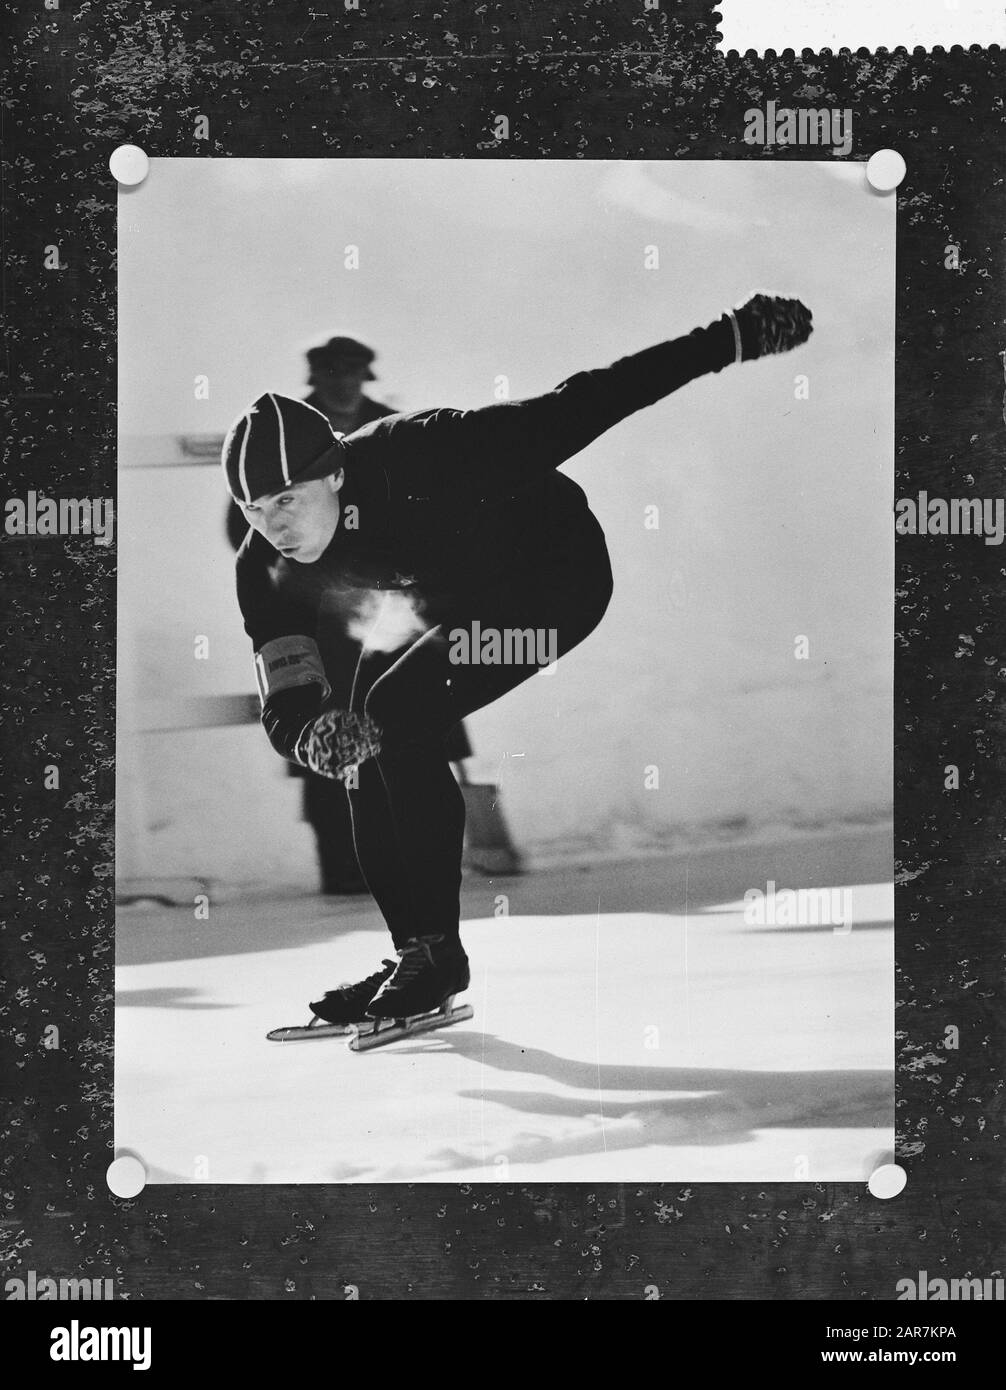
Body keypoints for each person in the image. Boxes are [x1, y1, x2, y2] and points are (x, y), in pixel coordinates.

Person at [224, 292, 813, 1029]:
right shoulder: (265, 562)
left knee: (389, 714)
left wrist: (728, 338)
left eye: (285, 501)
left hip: (555, 583)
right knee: (357, 733)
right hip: (451, 598)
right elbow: (284, 680)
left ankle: (435, 957)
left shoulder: (427, 450)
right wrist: (308, 731)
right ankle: (415, 953)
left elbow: (588, 400)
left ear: (334, 473)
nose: (272, 526)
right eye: (253, 509)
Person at [226, 334, 474, 894]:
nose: (343, 384)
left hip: (398, 614)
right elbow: (244, 526)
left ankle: (428, 871)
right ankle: (345, 870)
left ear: (365, 378)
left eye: (352, 373)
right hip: (321, 621)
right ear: (316, 380)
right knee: (328, 729)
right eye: (333, 373)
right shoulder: (277, 444)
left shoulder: (386, 431)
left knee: (419, 725)